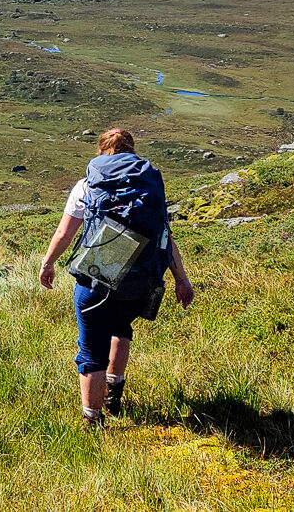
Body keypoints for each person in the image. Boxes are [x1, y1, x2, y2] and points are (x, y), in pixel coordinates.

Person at [39, 128, 194, 429]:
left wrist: (48, 263)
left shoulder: (88, 185)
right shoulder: (149, 187)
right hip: (141, 280)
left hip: (99, 276)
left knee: (90, 351)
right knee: (120, 329)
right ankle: (114, 398)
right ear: (132, 151)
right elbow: (165, 235)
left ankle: (92, 422)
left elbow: (63, 233)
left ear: (101, 152)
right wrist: (181, 280)